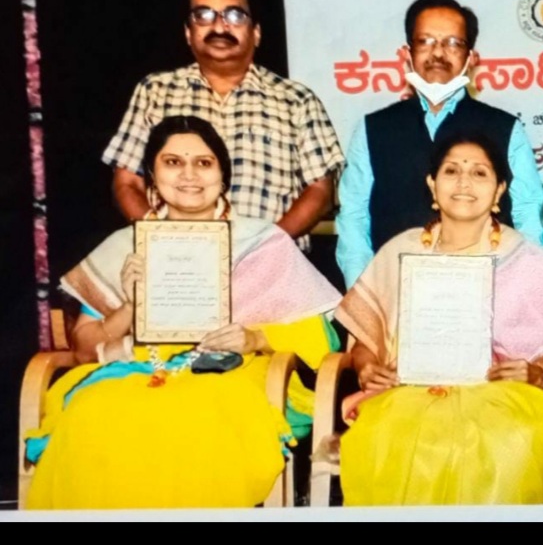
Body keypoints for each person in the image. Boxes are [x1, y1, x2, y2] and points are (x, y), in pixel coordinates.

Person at [25, 116, 342, 509]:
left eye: (203, 163)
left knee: (195, 416)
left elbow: (321, 335)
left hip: (233, 375)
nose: (189, 174)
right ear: (151, 178)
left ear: (223, 177)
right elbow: (85, 348)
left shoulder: (262, 242)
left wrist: (256, 338)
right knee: (92, 413)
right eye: (173, 162)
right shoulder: (126, 246)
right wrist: (132, 306)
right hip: (135, 371)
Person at [334, 133, 543, 505]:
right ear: (432, 185)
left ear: (499, 190)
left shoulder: (529, 261)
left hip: (500, 397)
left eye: (479, 173)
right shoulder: (401, 250)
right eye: (452, 171)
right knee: (399, 440)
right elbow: (364, 341)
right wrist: (366, 366)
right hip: (407, 393)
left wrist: (539, 373)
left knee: (501, 443)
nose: (464, 182)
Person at [103, 0, 344, 248]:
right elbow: (127, 183)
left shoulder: (296, 100)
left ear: (256, 33)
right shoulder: (155, 92)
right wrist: (163, 238)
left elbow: (320, 191)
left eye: (234, 15)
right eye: (204, 15)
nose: (219, 27)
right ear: (188, 32)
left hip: (272, 262)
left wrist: (264, 248)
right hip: (172, 261)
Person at [335, 0, 543, 289]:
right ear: (407, 53)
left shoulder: (506, 128)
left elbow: (529, 216)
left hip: (489, 294)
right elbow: (354, 218)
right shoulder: (372, 129)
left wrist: (526, 290)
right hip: (392, 293)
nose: (438, 53)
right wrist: (364, 296)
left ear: (471, 58)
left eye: (452, 43)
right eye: (425, 41)